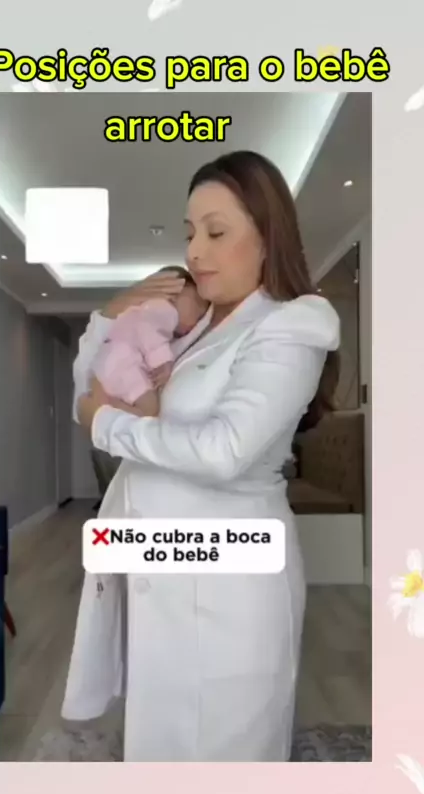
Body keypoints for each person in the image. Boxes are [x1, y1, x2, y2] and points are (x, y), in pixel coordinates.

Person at [62, 150, 340, 762]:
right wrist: (110, 315)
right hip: (162, 571)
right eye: (190, 233)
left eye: (216, 232)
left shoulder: (292, 325)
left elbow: (223, 451)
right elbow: (91, 389)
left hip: (226, 592)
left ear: (267, 238)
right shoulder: (193, 329)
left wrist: (107, 424)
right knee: (160, 750)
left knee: (224, 756)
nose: (194, 251)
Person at [92, 266, 208, 417]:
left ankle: (105, 407)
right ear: (174, 293)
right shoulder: (163, 308)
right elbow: (148, 331)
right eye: (199, 307)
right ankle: (104, 409)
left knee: (142, 405)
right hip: (123, 361)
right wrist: (164, 363)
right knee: (150, 410)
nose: (199, 321)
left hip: (113, 362)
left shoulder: (142, 311)